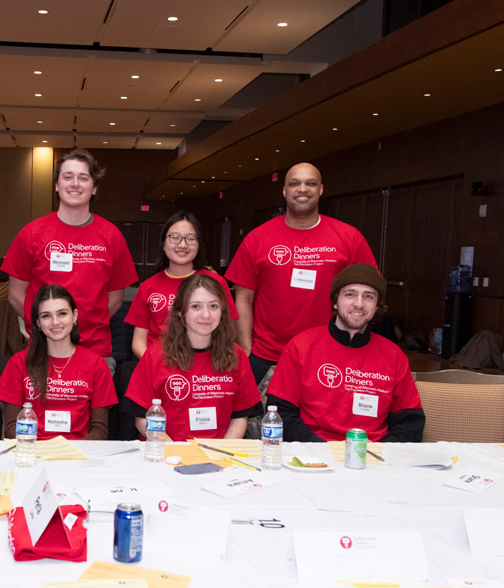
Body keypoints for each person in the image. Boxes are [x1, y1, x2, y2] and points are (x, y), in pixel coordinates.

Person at [225, 162, 377, 385]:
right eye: (295, 183)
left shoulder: (349, 238)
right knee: (264, 421)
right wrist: (246, 350)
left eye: (310, 183)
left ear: (321, 189)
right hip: (266, 359)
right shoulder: (257, 238)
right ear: (284, 190)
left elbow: (368, 295)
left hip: (331, 357)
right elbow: (243, 299)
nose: (302, 189)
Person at [3, 149, 137, 369]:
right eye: (67, 177)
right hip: (43, 352)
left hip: (95, 352)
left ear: (94, 188)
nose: (75, 183)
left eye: (83, 178)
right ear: (56, 185)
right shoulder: (32, 233)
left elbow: (114, 301)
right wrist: (47, 327)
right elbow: (16, 295)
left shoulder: (112, 236)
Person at [266, 263, 425, 443]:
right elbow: (280, 413)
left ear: (377, 306)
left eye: (369, 296)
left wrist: (378, 455)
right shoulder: (301, 347)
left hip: (372, 459)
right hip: (312, 454)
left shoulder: (394, 356)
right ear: (335, 301)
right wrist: (322, 450)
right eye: (350, 294)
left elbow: (410, 423)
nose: (359, 304)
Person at [125, 273, 262, 442]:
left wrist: (221, 453)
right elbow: (141, 418)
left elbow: (241, 416)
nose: (206, 315)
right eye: (196, 307)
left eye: (213, 306)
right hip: (167, 454)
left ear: (223, 311)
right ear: (180, 312)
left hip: (220, 456)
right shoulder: (155, 355)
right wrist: (177, 452)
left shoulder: (236, 355)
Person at [0, 284, 116, 440]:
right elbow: (11, 429)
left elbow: (100, 430)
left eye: (62, 313)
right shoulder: (18, 363)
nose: (55, 322)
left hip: (78, 454)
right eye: (46, 316)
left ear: (75, 316)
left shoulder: (97, 365)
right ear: (37, 322)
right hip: (32, 452)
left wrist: (73, 454)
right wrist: (41, 451)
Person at [126, 211, 238, 359]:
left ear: (199, 244)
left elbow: (228, 332)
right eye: (175, 238)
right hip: (159, 363)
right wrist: (156, 366)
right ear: (164, 244)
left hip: (206, 367)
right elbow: (139, 341)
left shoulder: (216, 283)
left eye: (190, 238)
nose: (183, 245)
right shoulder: (148, 286)